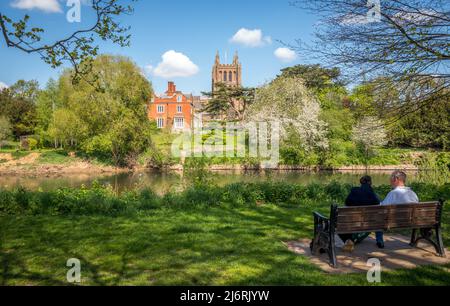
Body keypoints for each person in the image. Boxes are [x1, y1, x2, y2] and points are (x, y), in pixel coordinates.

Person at [376, 170, 420, 248]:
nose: (390, 181)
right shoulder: (412, 193)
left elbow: (382, 208)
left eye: (390, 179)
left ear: (396, 179)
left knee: (378, 216)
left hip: (394, 221)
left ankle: (380, 240)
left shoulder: (393, 193)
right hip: (412, 221)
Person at [340, 176, 381, 252]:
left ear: (361, 182)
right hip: (369, 222)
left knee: (340, 225)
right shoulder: (371, 193)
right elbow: (377, 203)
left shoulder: (354, 191)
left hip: (352, 221)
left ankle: (350, 240)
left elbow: (347, 202)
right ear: (370, 182)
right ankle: (353, 240)